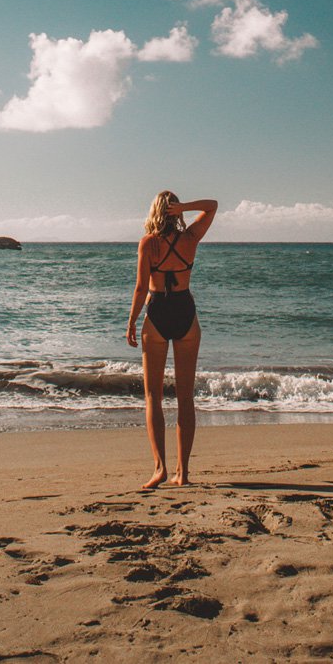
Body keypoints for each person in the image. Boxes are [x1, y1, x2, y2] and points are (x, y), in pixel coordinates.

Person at [126, 190, 217, 489]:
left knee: (153, 396)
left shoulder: (148, 243)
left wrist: (131, 323)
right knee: (185, 396)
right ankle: (184, 473)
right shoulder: (190, 240)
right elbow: (212, 206)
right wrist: (185, 208)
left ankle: (159, 469)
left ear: (154, 211)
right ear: (175, 212)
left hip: (158, 313)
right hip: (185, 312)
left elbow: (141, 288)